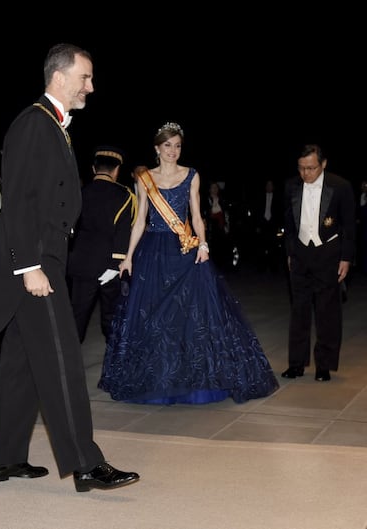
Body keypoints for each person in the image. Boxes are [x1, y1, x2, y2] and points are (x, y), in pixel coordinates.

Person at [0, 43, 139, 492]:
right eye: (85, 77)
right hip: (35, 264)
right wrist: (29, 266)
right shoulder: (33, 124)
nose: (91, 86)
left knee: (22, 365)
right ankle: (86, 463)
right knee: (64, 361)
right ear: (59, 76)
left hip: (43, 260)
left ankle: (4, 459)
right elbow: (20, 205)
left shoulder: (53, 127)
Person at [98, 122, 279, 405]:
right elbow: (139, 221)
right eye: (167, 145)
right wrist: (128, 257)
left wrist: (203, 243)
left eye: (177, 145)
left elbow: (196, 216)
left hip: (185, 250)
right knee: (154, 318)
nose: (173, 151)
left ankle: (194, 379)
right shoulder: (145, 178)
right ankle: (157, 379)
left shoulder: (191, 175)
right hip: (154, 252)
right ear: (157, 148)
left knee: (192, 316)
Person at [282, 144, 356, 382]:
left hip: (328, 254)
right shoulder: (291, 186)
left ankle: (323, 365)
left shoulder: (341, 186)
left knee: (327, 312)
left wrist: (346, 258)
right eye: (302, 168)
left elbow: (349, 226)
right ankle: (296, 364)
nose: (306, 174)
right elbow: (289, 226)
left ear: (323, 164)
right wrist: (290, 253)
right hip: (301, 255)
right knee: (299, 311)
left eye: (311, 168)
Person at [67, 145, 137, 342]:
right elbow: (124, 232)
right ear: (116, 171)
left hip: (81, 264)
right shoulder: (125, 195)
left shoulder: (79, 192)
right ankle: (114, 361)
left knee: (77, 317)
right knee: (111, 317)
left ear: (93, 169)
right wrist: (117, 264)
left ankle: (67, 365)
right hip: (110, 266)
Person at [252, 178, 284, 273]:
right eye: (267, 185)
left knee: (273, 247)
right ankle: (261, 268)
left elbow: (280, 213)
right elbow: (256, 212)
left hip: (272, 224)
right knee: (261, 247)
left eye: (271, 185)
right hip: (263, 224)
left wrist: (279, 226)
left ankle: (274, 268)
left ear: (273, 187)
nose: (269, 187)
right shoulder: (260, 197)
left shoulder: (277, 198)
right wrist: (257, 225)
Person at [202, 181, 233, 272]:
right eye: (213, 187)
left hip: (221, 227)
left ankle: (221, 268)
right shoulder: (206, 200)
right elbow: (205, 213)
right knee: (211, 248)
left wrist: (227, 225)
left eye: (216, 188)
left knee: (221, 248)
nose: (214, 189)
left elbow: (226, 214)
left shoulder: (222, 200)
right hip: (211, 228)